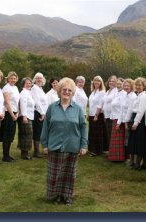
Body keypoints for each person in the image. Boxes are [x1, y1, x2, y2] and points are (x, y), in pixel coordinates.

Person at [41, 77, 88, 205]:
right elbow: (45, 127)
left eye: (69, 90)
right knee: (55, 174)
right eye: (64, 89)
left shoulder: (78, 108)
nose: (66, 92)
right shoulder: (52, 108)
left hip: (72, 146)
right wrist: (44, 144)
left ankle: (67, 196)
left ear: (72, 93)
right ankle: (55, 196)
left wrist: (84, 145)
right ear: (59, 91)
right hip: (55, 145)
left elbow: (83, 127)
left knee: (69, 174)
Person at [127, 77, 146, 170]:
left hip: (140, 121)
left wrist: (136, 123)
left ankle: (138, 163)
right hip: (134, 118)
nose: (138, 86)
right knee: (134, 142)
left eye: (140, 85)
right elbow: (132, 109)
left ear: (144, 86)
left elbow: (141, 111)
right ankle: (134, 162)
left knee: (140, 142)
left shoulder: (144, 96)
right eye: (136, 85)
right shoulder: (137, 95)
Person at [0, 71, 19, 162]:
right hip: (8, 113)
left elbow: (17, 101)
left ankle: (8, 155)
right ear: (8, 79)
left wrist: (17, 112)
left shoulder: (16, 88)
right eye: (11, 78)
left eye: (14, 78)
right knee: (7, 135)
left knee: (11, 134)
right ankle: (5, 156)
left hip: (14, 112)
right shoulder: (6, 88)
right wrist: (12, 115)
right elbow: (6, 102)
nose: (13, 80)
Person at [117, 78, 137, 166]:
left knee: (131, 141)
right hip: (125, 120)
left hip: (130, 120)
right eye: (124, 85)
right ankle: (130, 159)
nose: (125, 87)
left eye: (128, 86)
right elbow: (122, 109)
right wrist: (119, 122)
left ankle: (133, 160)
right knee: (127, 141)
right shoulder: (125, 95)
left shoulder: (133, 96)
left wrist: (125, 123)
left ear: (132, 86)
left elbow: (130, 110)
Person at [108, 78, 126, 161]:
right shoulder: (117, 93)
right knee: (115, 139)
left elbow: (122, 108)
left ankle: (119, 157)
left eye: (120, 84)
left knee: (118, 139)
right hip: (115, 117)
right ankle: (114, 157)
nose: (118, 85)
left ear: (123, 85)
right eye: (117, 84)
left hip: (119, 118)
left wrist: (119, 121)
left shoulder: (123, 94)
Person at [88, 76, 106, 156]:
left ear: (101, 83)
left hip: (98, 115)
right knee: (92, 133)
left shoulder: (102, 92)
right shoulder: (93, 92)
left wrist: (96, 115)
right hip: (92, 114)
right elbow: (91, 104)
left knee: (97, 134)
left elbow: (100, 105)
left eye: (98, 81)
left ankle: (97, 151)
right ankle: (92, 149)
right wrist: (89, 114)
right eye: (95, 81)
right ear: (93, 82)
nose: (96, 82)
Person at [31, 72, 48, 158]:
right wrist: (42, 113)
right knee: (37, 132)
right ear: (35, 79)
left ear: (43, 79)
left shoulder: (40, 88)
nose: (39, 79)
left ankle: (38, 151)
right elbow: (37, 102)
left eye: (40, 78)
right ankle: (36, 152)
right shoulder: (34, 88)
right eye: (37, 78)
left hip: (42, 113)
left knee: (40, 131)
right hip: (38, 113)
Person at [18, 77, 35, 160]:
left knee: (27, 134)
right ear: (23, 84)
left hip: (29, 116)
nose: (28, 84)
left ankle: (25, 152)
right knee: (26, 134)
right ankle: (24, 153)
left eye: (29, 83)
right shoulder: (24, 93)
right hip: (25, 116)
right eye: (27, 83)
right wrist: (24, 116)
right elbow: (23, 105)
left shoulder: (29, 92)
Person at [102, 75, 118, 152]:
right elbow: (105, 103)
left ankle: (112, 151)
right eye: (110, 81)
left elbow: (115, 104)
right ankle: (110, 150)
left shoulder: (116, 91)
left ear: (116, 83)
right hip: (107, 115)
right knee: (108, 133)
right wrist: (105, 115)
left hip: (113, 116)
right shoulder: (107, 91)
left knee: (112, 134)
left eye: (113, 81)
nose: (111, 82)